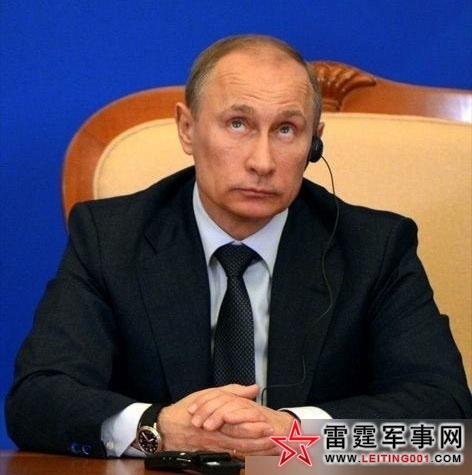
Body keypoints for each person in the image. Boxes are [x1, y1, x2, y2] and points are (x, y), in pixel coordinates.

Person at [6, 34, 472, 459]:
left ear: (314, 144)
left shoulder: (374, 247)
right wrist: (158, 429)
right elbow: (37, 399)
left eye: (286, 129)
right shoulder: (110, 237)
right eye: (237, 124)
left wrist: (294, 434)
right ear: (187, 128)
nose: (262, 162)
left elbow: (447, 415)